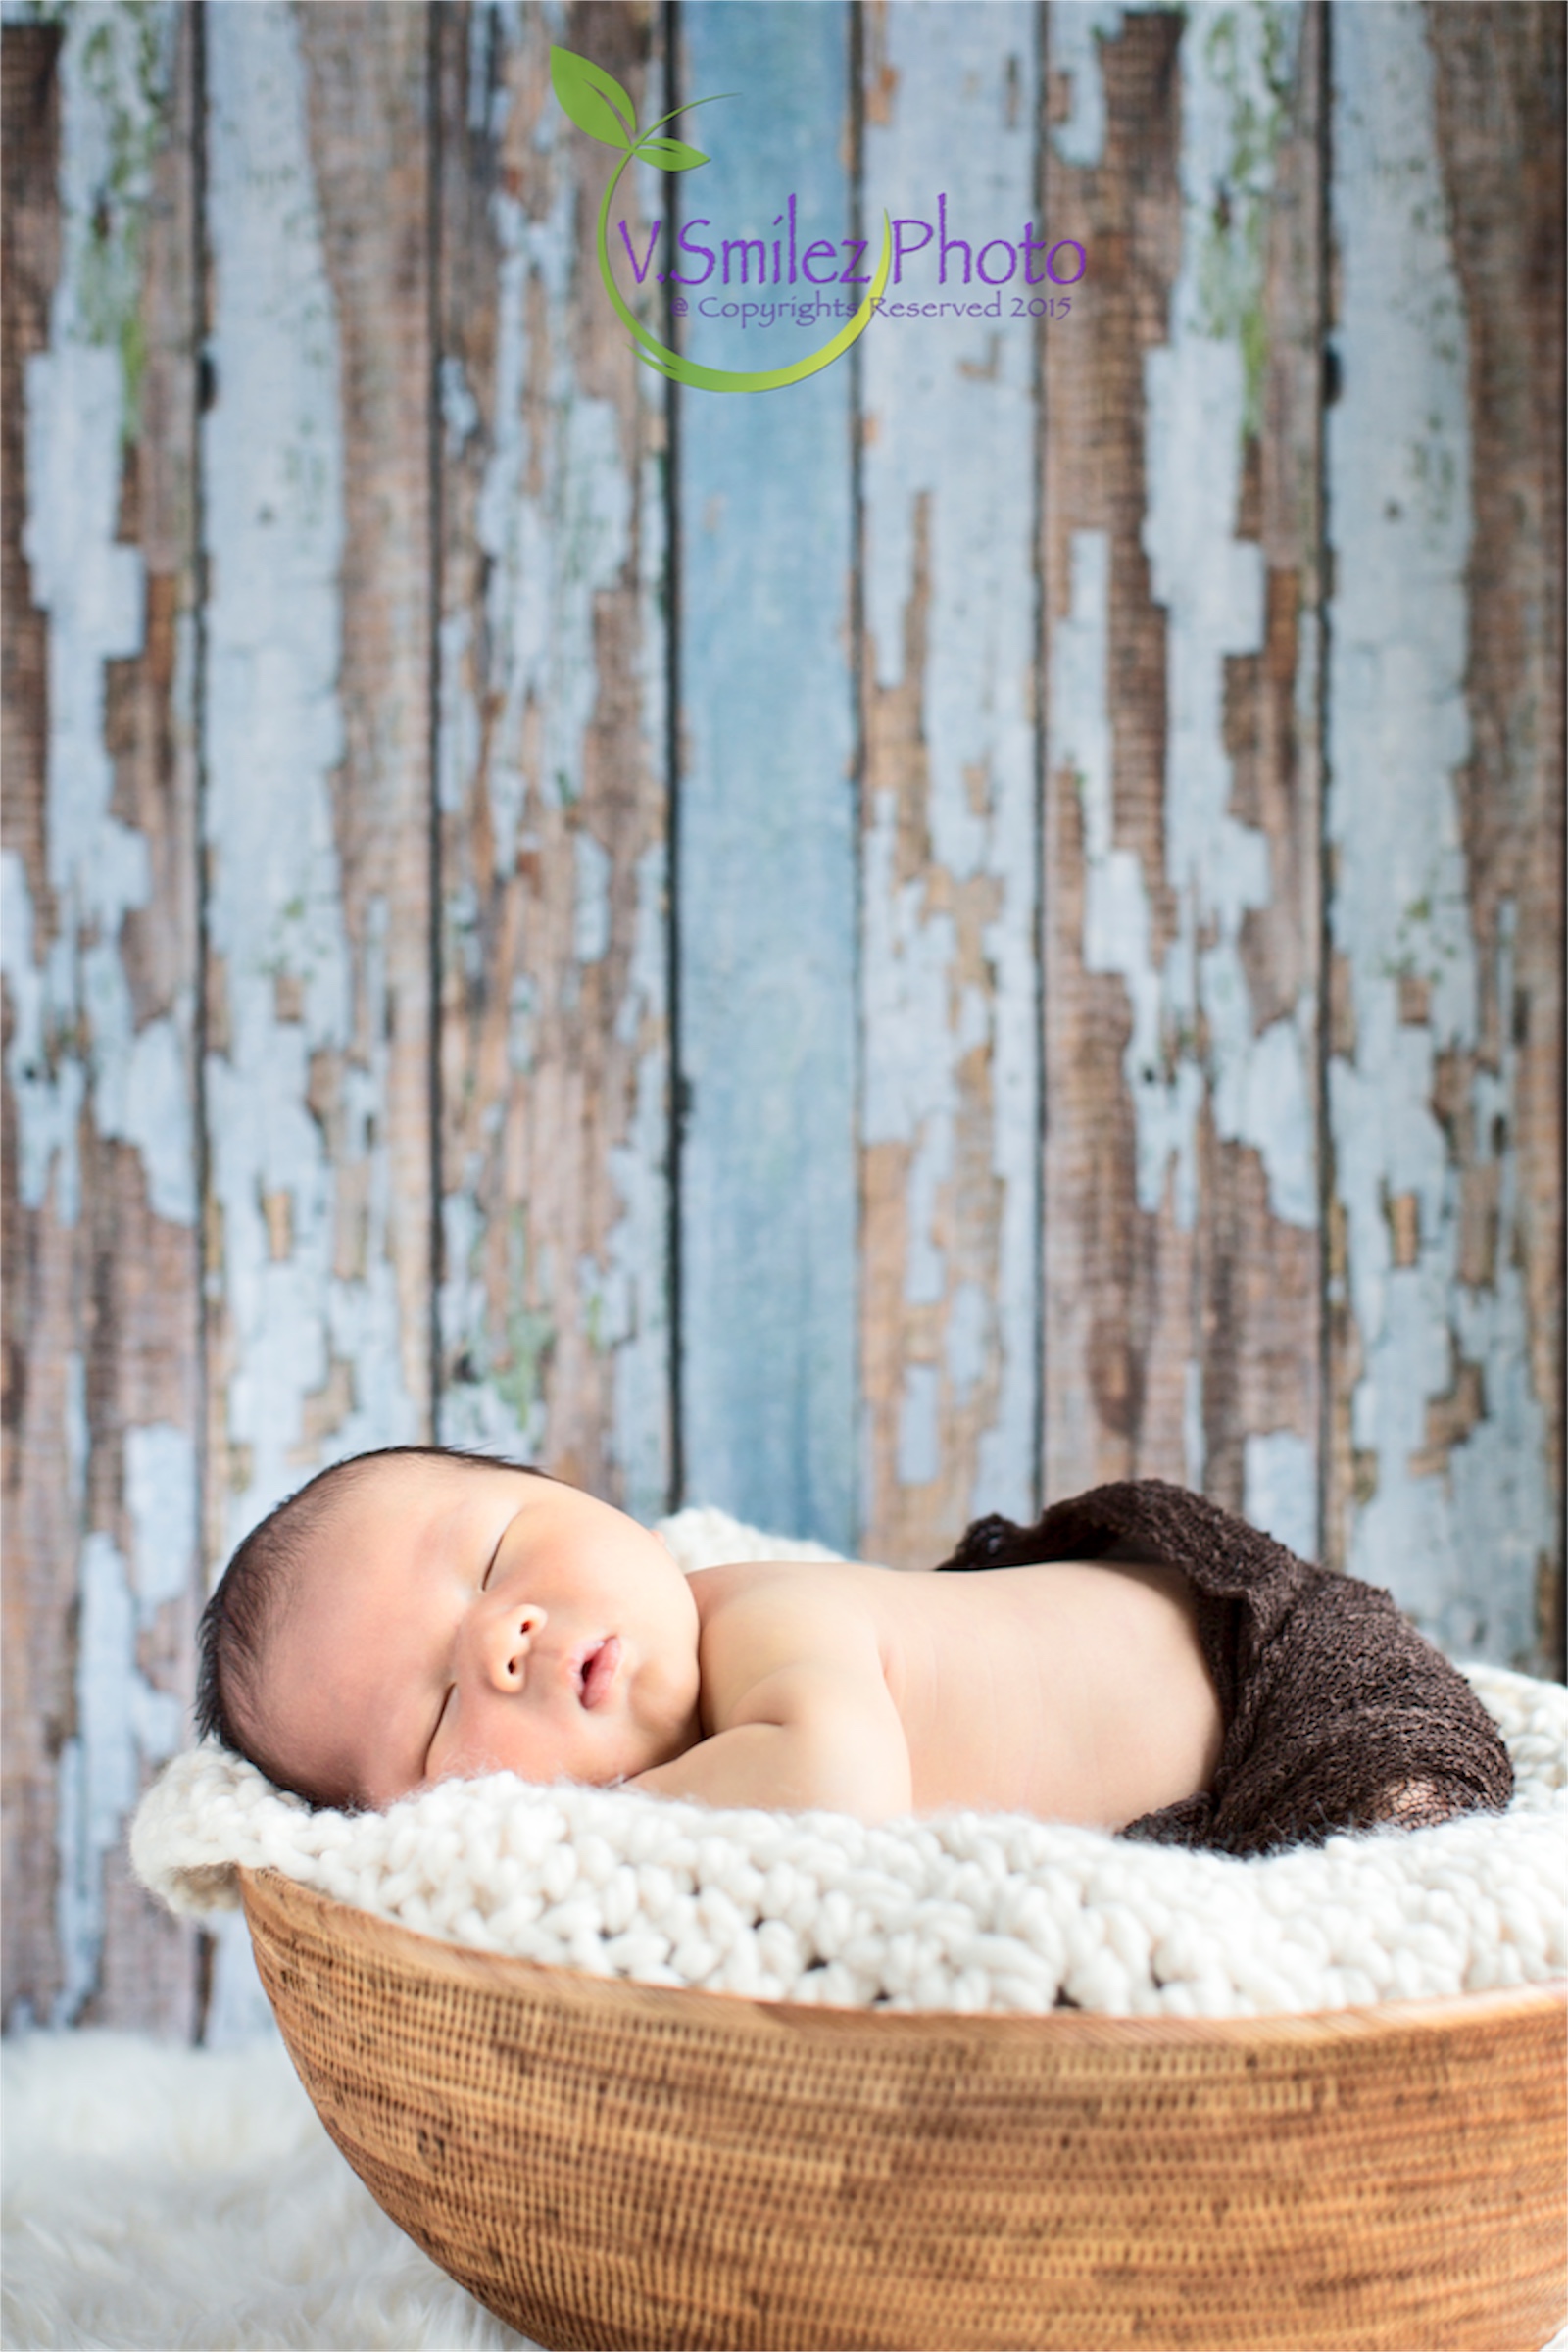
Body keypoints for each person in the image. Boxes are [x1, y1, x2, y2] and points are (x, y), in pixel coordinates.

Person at [195, 1445, 1512, 1852]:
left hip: (1301, 1699)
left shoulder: (757, 1620)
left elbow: (834, 1790)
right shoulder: (706, 1737)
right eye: (437, 1716)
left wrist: (573, 1828)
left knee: (1403, 1870)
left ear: (587, 1499)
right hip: (1214, 1775)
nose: (506, 1636)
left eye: (495, 1558)